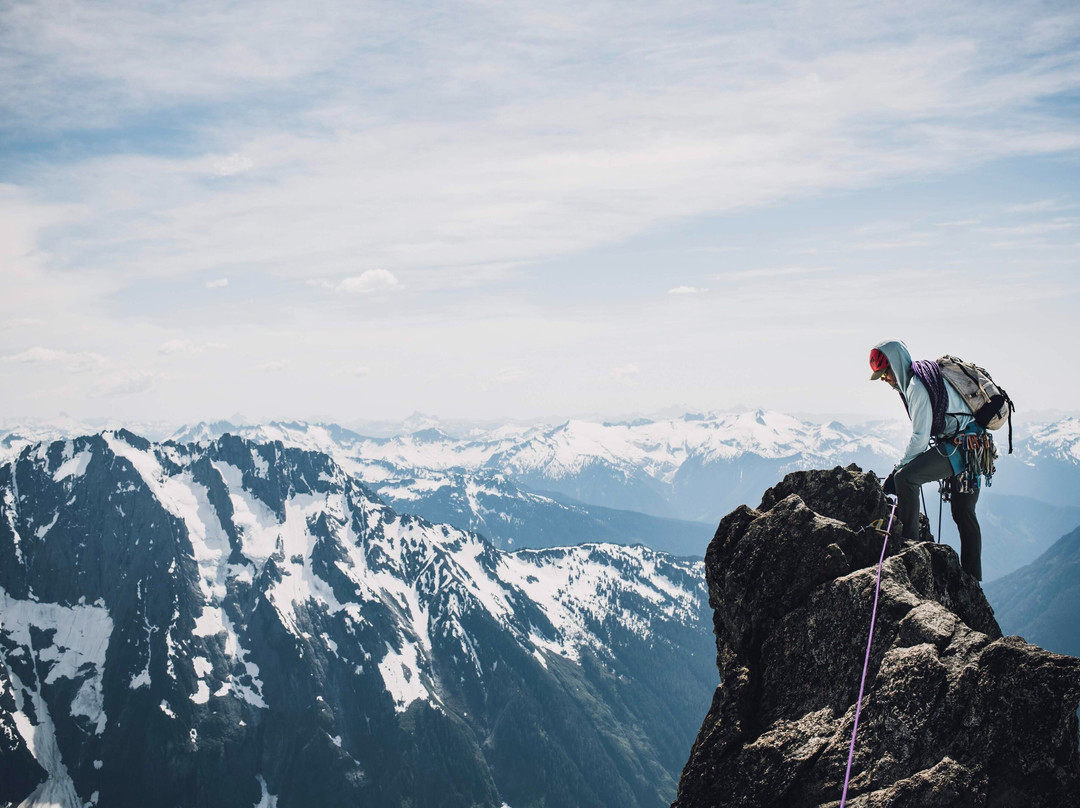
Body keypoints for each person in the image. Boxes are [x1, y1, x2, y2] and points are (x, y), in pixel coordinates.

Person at [869, 339, 988, 580]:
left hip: (960, 446)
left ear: (896, 364)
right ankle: (973, 578)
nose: (886, 379)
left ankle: (910, 551)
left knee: (906, 479)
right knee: (964, 512)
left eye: (887, 373)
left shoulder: (916, 387)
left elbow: (920, 439)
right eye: (882, 376)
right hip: (972, 444)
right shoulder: (920, 378)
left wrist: (897, 470)